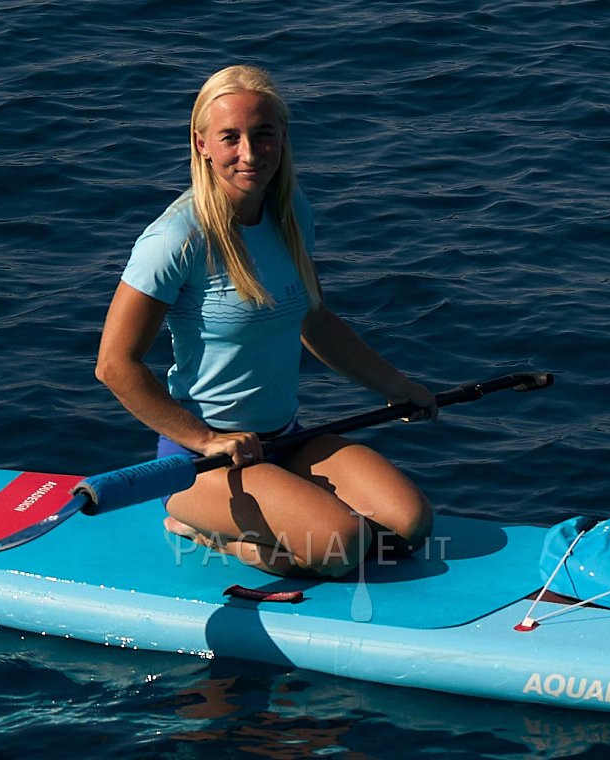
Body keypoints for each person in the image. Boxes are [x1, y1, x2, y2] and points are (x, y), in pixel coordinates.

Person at [95, 64, 436, 578]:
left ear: (283, 137)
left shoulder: (291, 213)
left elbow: (315, 322)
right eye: (230, 137)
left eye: (263, 135)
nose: (249, 153)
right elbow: (116, 365)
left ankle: (281, 516)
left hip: (285, 438)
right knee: (343, 546)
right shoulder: (175, 239)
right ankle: (206, 529)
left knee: (410, 525)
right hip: (203, 460)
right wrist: (207, 441)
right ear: (202, 143)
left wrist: (395, 384)